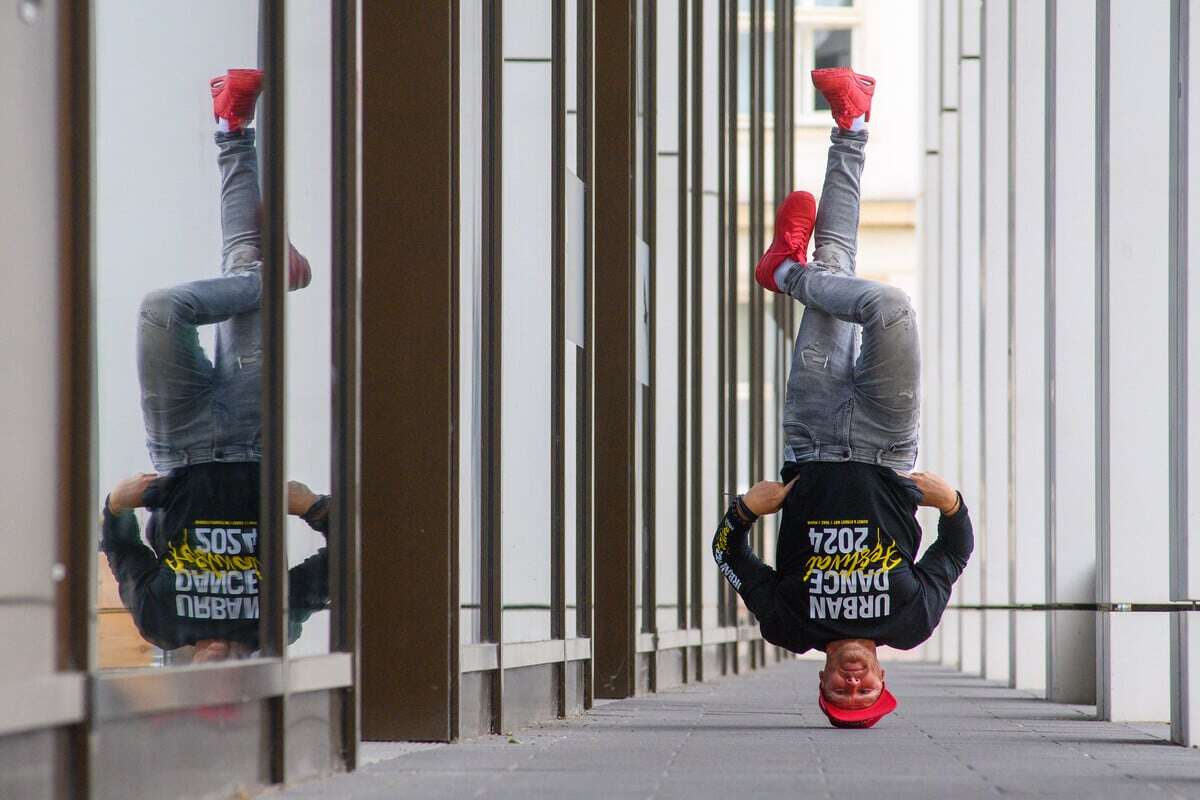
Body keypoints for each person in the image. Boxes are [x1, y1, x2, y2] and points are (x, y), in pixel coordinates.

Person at [712, 67, 974, 729]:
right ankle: (788, 272)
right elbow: (955, 550)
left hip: (814, 432)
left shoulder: (788, 625)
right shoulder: (910, 622)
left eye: (842, 690)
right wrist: (953, 505)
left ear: (824, 680)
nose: (854, 681)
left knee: (836, 256)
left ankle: (852, 125)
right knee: (890, 308)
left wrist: (744, 511)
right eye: (865, 691)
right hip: (889, 447)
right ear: (883, 676)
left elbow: (726, 554)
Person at [101, 68, 327, 663]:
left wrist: (116, 505)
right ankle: (232, 128)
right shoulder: (273, 627)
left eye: (206, 690)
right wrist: (312, 509)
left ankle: (267, 280)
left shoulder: (160, 625)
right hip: (253, 440)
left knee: (162, 309)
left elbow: (119, 549)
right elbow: (353, 561)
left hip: (178, 444)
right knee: (246, 258)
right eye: (235, 691)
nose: (220, 675)